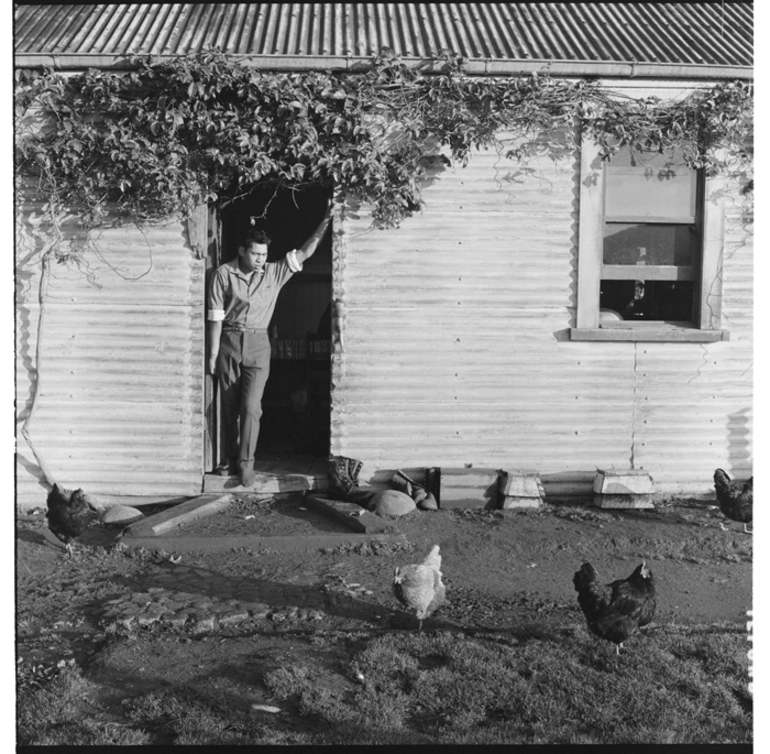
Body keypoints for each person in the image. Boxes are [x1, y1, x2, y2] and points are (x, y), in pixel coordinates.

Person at [207, 200, 332, 486]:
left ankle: (246, 463)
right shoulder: (224, 274)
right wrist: (213, 355)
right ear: (242, 251)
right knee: (228, 406)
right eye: (255, 253)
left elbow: (307, 250)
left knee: (252, 407)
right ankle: (228, 458)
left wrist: (326, 219)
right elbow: (215, 316)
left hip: (259, 343)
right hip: (228, 340)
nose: (261, 258)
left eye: (264, 253)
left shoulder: (275, 273)